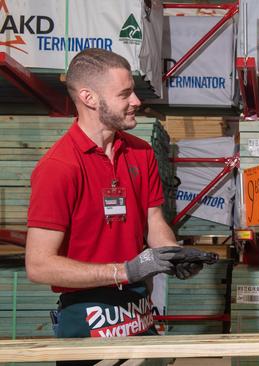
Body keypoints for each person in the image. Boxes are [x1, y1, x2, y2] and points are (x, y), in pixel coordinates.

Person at [25, 48, 209, 348]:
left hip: (138, 308)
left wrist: (173, 255)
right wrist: (125, 271)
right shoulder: (59, 168)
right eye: (125, 94)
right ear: (89, 98)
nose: (136, 101)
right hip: (86, 314)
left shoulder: (141, 152)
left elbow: (153, 220)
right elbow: (38, 265)